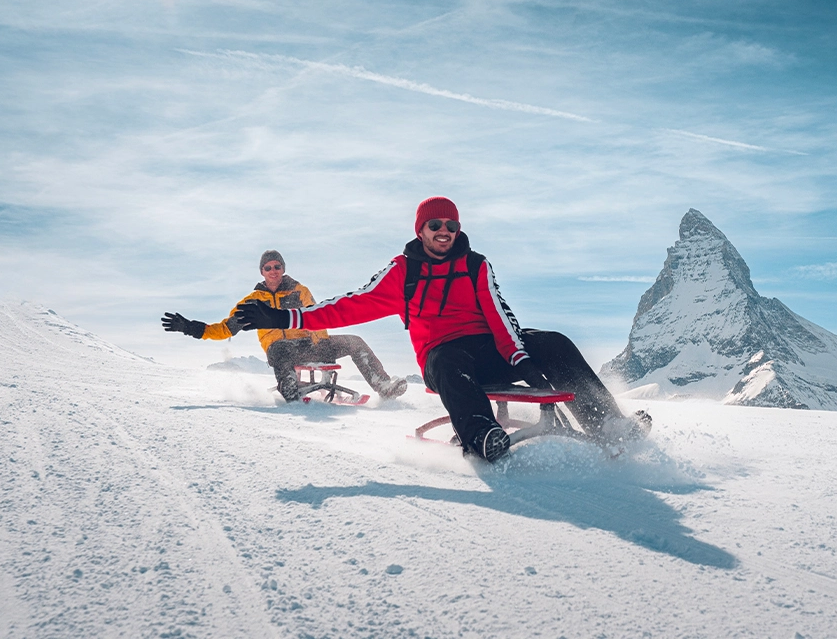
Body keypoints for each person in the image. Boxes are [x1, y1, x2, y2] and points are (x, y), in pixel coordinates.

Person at [234, 197, 650, 462]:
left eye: (451, 224)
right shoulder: (403, 272)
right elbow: (349, 305)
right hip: (443, 358)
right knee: (450, 357)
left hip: (491, 352)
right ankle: (481, 435)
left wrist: (521, 356)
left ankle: (608, 425)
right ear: (421, 230)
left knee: (553, 342)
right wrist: (284, 318)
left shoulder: (475, 265)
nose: (444, 231)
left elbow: (501, 316)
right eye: (435, 225)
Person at [161, 250, 407, 403]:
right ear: (262, 271)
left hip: (311, 344)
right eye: (268, 267)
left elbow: (317, 315)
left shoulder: (299, 291)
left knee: (355, 341)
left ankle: (383, 385)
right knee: (279, 349)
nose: (273, 271)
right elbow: (225, 329)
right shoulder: (252, 302)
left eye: (277, 266)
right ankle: (291, 392)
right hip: (281, 349)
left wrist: (320, 343)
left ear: (283, 269)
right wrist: (192, 327)